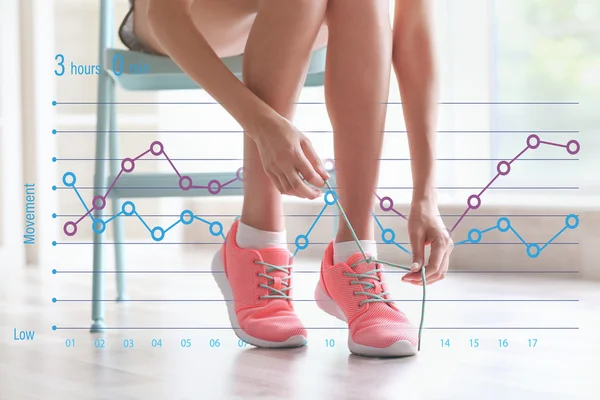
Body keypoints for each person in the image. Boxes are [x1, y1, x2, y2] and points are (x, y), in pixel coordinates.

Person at [120, 0, 453, 357]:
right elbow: (162, 14)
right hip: (182, 20)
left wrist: (425, 194)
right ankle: (256, 239)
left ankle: (353, 257)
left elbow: (414, 27)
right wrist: (261, 124)